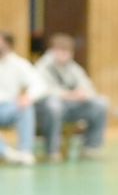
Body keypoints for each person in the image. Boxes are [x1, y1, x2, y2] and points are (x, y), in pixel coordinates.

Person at [35, 33, 109, 162]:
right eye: (60, 51)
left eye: (67, 52)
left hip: (71, 107)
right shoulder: (42, 67)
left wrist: (83, 94)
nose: (63, 55)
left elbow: (89, 88)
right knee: (54, 106)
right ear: (53, 51)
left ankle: (91, 147)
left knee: (101, 103)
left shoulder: (74, 68)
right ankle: (53, 150)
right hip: (46, 110)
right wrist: (67, 95)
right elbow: (42, 91)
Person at [0, 31, 45, 165]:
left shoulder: (18, 64)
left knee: (26, 108)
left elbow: (39, 84)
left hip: (8, 107)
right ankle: (5, 152)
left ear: (8, 44)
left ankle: (25, 152)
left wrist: (28, 96)